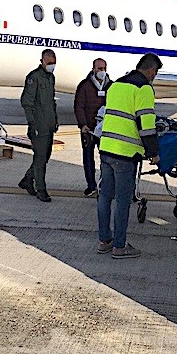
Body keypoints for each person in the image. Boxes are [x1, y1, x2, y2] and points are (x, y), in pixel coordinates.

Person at [96, 53, 162, 259]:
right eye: (155, 74)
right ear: (151, 71)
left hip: (106, 148)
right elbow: (146, 125)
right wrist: (153, 153)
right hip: (125, 153)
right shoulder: (144, 89)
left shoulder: (115, 85)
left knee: (105, 196)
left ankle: (104, 241)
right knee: (123, 201)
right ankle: (119, 246)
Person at [18, 48, 58, 203]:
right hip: (38, 125)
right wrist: (32, 123)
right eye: (49, 62)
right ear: (42, 61)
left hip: (48, 124)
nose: (52, 65)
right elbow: (26, 102)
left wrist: (55, 120)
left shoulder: (51, 78)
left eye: (54, 63)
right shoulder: (34, 78)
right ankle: (41, 190)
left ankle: (28, 179)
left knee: (45, 156)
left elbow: (51, 102)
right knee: (40, 158)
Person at [73, 58, 112, 197]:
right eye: (99, 68)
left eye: (104, 68)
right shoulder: (85, 86)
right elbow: (79, 106)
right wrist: (82, 124)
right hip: (88, 129)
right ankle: (91, 185)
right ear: (93, 69)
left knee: (106, 159)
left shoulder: (111, 86)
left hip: (104, 129)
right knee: (88, 158)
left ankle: (105, 185)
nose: (102, 71)